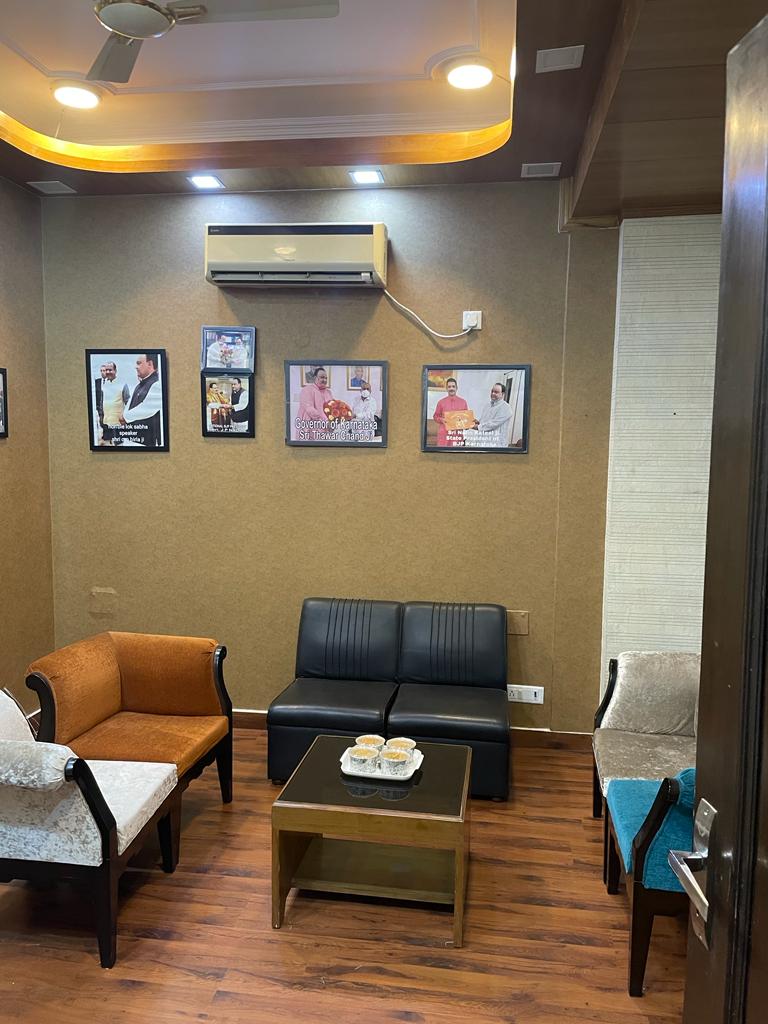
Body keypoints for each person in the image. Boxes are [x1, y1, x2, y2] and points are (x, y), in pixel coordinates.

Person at [120, 352, 163, 447]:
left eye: (139, 363)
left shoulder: (157, 383)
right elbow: (129, 404)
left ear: (150, 364)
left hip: (147, 443)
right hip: (133, 438)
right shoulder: (139, 385)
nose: (135, 367)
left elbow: (148, 408)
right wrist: (124, 416)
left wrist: (125, 417)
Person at [95, 361, 130, 446]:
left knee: (118, 444)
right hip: (106, 422)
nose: (107, 372)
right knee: (107, 444)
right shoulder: (103, 385)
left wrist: (125, 417)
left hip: (118, 422)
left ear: (115, 371)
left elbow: (128, 401)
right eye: (106, 370)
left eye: (110, 370)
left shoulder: (122, 384)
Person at [470, 382, 514, 447]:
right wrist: (477, 422)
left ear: (502, 394)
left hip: (496, 445)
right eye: (492, 391)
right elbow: (484, 421)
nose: (493, 393)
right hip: (483, 443)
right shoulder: (487, 405)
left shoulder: (506, 408)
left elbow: (492, 424)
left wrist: (474, 426)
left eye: (496, 392)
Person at [297, 366, 334, 440]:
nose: (324, 380)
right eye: (322, 377)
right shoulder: (307, 390)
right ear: (315, 378)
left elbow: (333, 408)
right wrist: (325, 421)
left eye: (326, 378)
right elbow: (309, 409)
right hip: (311, 428)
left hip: (325, 429)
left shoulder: (328, 392)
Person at [433, 377, 468, 447]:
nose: (451, 388)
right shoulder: (441, 402)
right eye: (449, 387)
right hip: (444, 434)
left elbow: (466, 418)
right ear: (446, 388)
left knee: (456, 453)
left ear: (456, 388)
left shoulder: (463, 402)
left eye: (453, 386)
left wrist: (468, 423)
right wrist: (442, 420)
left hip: (457, 435)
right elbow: (435, 416)